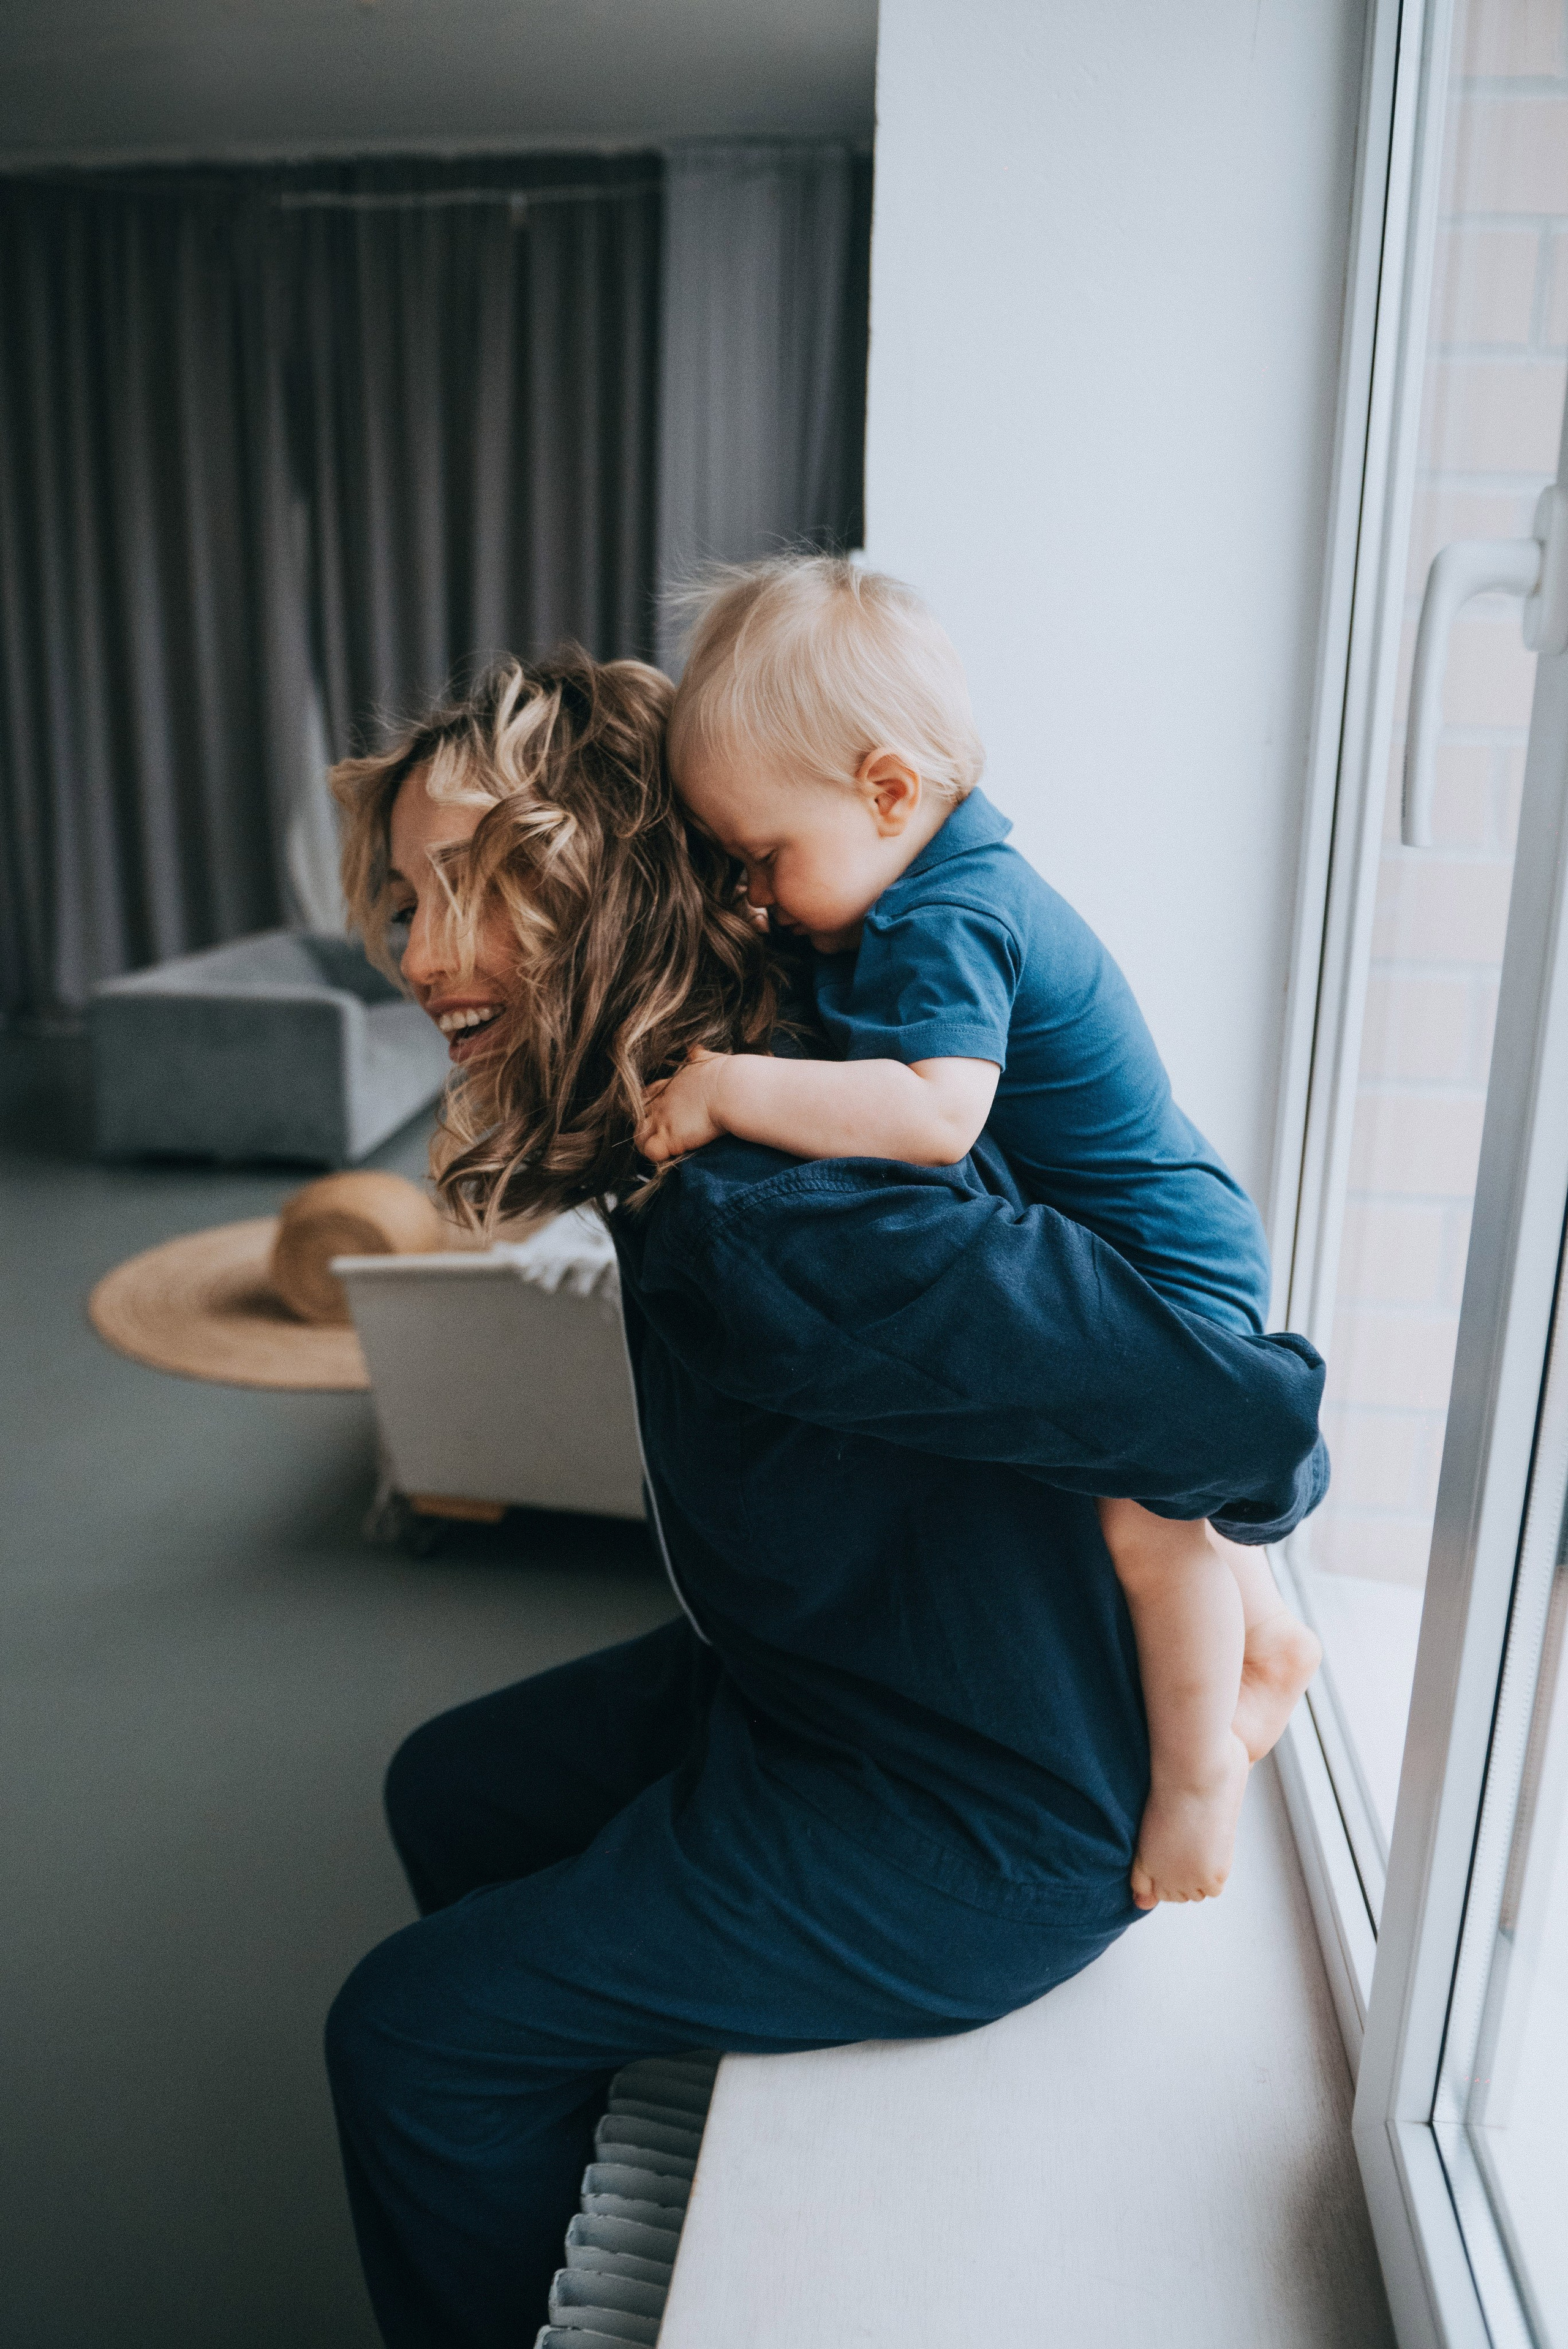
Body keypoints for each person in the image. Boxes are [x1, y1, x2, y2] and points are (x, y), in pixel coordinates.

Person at [325, 650, 1329, 2349]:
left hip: (983, 1816)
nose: (422, 958)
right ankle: (554, 2133)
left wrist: (1246, 1522)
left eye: (472, 889)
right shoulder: (722, 1097)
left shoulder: (772, 1223)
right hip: (831, 1683)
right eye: (412, 901)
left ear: (602, 887)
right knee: (449, 1787)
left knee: (408, 2038)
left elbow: (1245, 1414)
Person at [638, 556, 1322, 1911]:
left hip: (1164, 1256)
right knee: (1151, 1505)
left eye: (765, 857)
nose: (756, 896)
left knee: (1147, 1526)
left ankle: (1200, 1775)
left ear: (888, 793)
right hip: (1153, 1221)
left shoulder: (946, 914)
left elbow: (930, 1117)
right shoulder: (930, 879)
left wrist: (724, 1086)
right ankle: (1270, 1637)